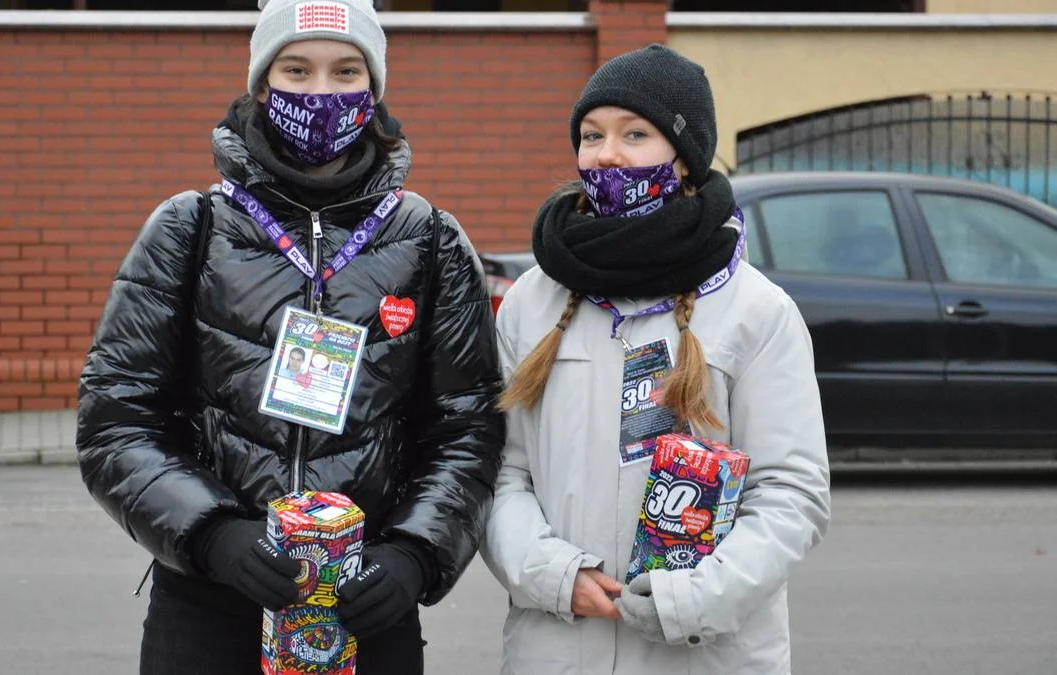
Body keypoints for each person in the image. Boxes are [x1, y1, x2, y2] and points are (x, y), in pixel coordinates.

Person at [75, 1, 505, 674]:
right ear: (261, 84)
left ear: (373, 88)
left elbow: (468, 429)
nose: (321, 92)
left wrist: (415, 553)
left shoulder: (430, 239)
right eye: (296, 69)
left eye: (346, 71)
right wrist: (213, 532)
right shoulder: (191, 227)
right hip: (207, 604)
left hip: (365, 606)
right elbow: (115, 421)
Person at [481, 44, 831, 674]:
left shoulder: (756, 311)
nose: (606, 154)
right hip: (558, 649)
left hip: (706, 654)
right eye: (592, 135)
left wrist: (688, 600)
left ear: (686, 157)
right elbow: (500, 474)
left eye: (635, 134)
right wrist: (554, 575)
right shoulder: (532, 302)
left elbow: (790, 493)